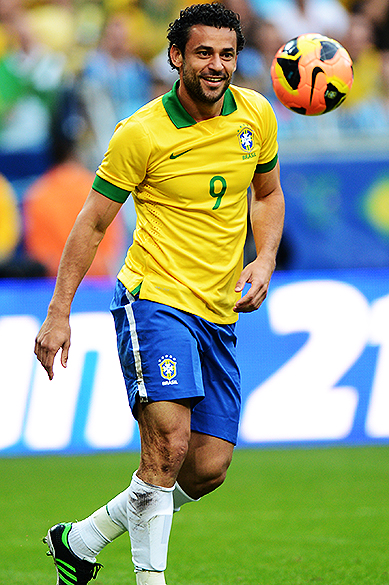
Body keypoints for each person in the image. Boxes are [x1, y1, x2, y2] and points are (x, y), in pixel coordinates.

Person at [34, 3, 285, 585]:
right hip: (154, 300)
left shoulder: (256, 119)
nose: (217, 65)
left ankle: (82, 539)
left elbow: (268, 196)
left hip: (219, 309)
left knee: (205, 469)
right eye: (203, 53)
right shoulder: (141, 133)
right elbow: (93, 223)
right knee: (166, 449)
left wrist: (265, 257)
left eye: (226, 54)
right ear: (177, 57)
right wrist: (58, 313)